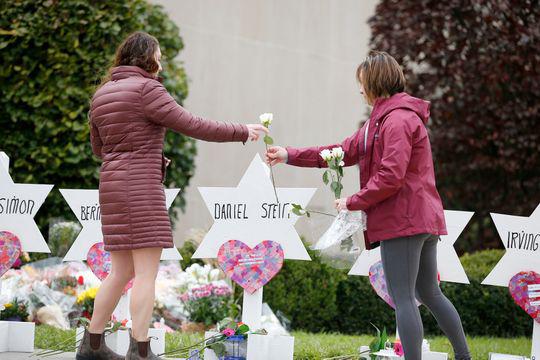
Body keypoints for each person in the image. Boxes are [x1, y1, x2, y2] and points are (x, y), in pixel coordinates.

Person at [266, 51, 471, 360]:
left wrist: (352, 201)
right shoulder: (382, 120)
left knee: (404, 297)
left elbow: (391, 177)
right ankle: (464, 356)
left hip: (403, 221)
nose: (359, 89)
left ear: (375, 82)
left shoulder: (396, 121)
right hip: (421, 221)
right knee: (429, 292)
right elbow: (339, 152)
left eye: (361, 83)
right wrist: (289, 154)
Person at [78, 31, 268, 360]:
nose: (161, 62)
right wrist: (242, 130)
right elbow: (192, 123)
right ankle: (140, 351)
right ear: (147, 57)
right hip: (140, 186)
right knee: (146, 273)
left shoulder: (102, 94)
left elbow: (99, 148)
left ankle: (92, 345)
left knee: (120, 271)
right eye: (159, 55)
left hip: (110, 186)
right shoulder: (147, 89)